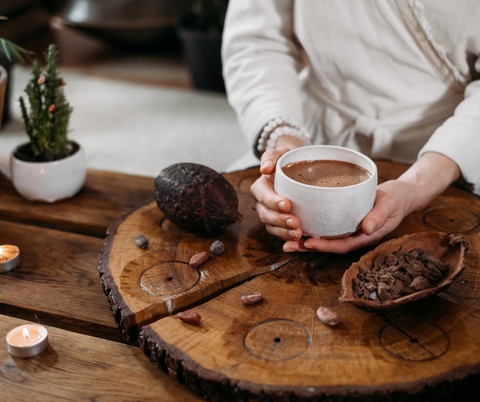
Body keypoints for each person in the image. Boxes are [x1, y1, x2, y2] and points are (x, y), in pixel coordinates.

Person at [221, 0, 480, 254]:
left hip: (449, 151)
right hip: (309, 129)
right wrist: (285, 143)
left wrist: (416, 186)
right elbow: (258, 41)